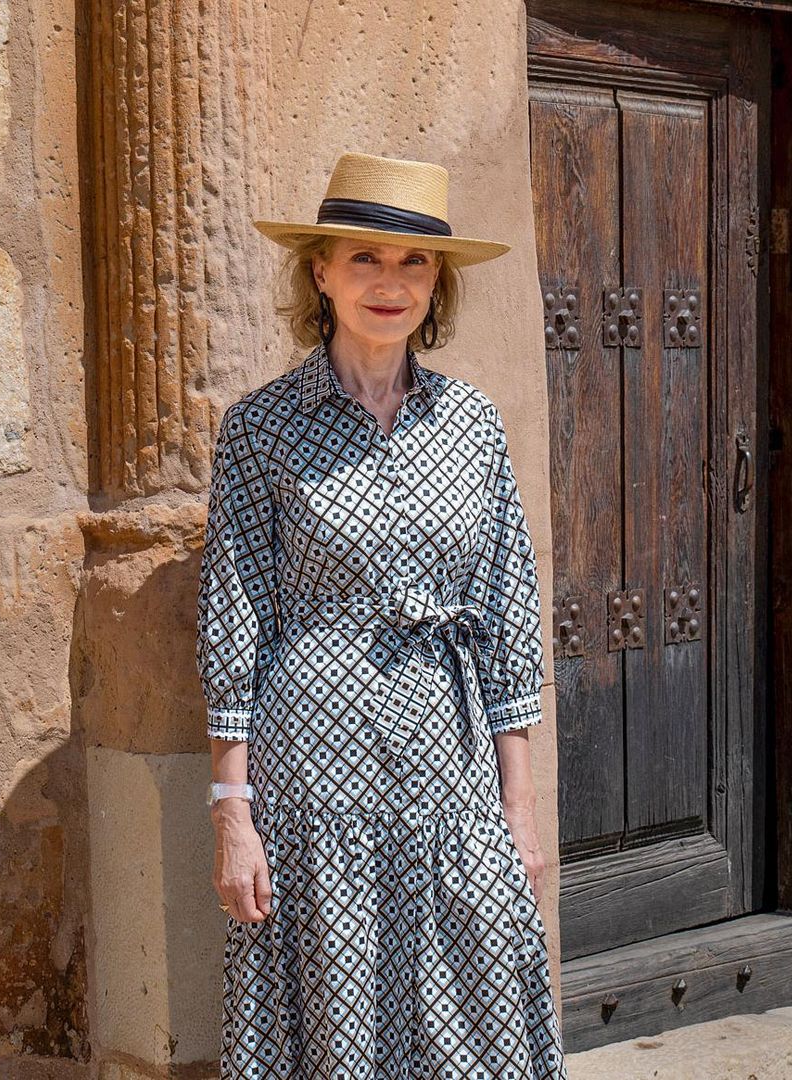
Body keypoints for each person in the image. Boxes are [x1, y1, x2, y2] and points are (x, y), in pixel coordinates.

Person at [195, 151, 568, 1079]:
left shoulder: (473, 425)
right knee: (337, 999)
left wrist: (519, 804)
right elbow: (233, 620)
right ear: (319, 272)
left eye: (412, 263)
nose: (388, 284)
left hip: (449, 757)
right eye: (363, 259)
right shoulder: (261, 428)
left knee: (476, 985)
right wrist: (232, 815)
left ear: (436, 281)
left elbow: (507, 613)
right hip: (314, 768)